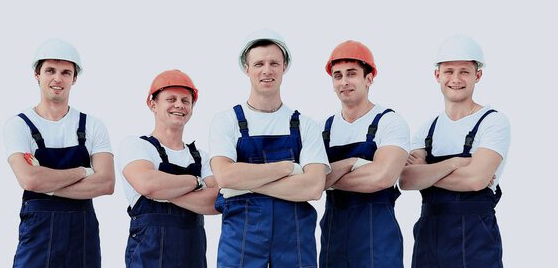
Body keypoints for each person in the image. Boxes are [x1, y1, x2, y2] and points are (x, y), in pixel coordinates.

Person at [209, 29, 329, 268]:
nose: (267, 70)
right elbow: (225, 175)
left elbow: (314, 187)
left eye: (274, 63)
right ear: (247, 68)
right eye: (259, 63)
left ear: (284, 67)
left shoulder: (306, 125)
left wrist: (246, 184)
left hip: (294, 241)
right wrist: (288, 168)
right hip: (240, 242)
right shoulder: (226, 121)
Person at [399, 35, 510, 267]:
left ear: (477, 75)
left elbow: (475, 180)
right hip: (429, 242)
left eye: (464, 71)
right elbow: (407, 179)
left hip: (476, 242)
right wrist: (454, 164)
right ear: (437, 75)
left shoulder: (493, 122)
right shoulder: (427, 129)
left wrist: (427, 173)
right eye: (449, 71)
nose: (456, 79)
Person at [3, 38, 115, 267]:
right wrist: (84, 171)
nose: (57, 78)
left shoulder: (93, 125)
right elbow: (30, 179)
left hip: (83, 237)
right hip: (38, 235)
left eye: (66, 72)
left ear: (74, 78)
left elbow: (106, 183)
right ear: (37, 75)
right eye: (50, 71)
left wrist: (49, 183)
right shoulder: (18, 125)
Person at [319, 40, 410, 267]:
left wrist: (328, 177)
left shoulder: (389, 122)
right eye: (337, 76)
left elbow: (383, 177)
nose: (344, 82)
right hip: (333, 238)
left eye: (351, 74)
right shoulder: (323, 129)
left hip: (378, 241)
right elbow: (308, 182)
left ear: (369, 79)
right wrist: (355, 163)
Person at [117, 69, 219, 267]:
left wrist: (164, 193)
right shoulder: (136, 146)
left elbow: (216, 202)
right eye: (171, 99)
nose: (179, 105)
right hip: (148, 257)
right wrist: (196, 182)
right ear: (152, 104)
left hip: (193, 257)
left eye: (185, 100)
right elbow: (148, 184)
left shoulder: (201, 157)